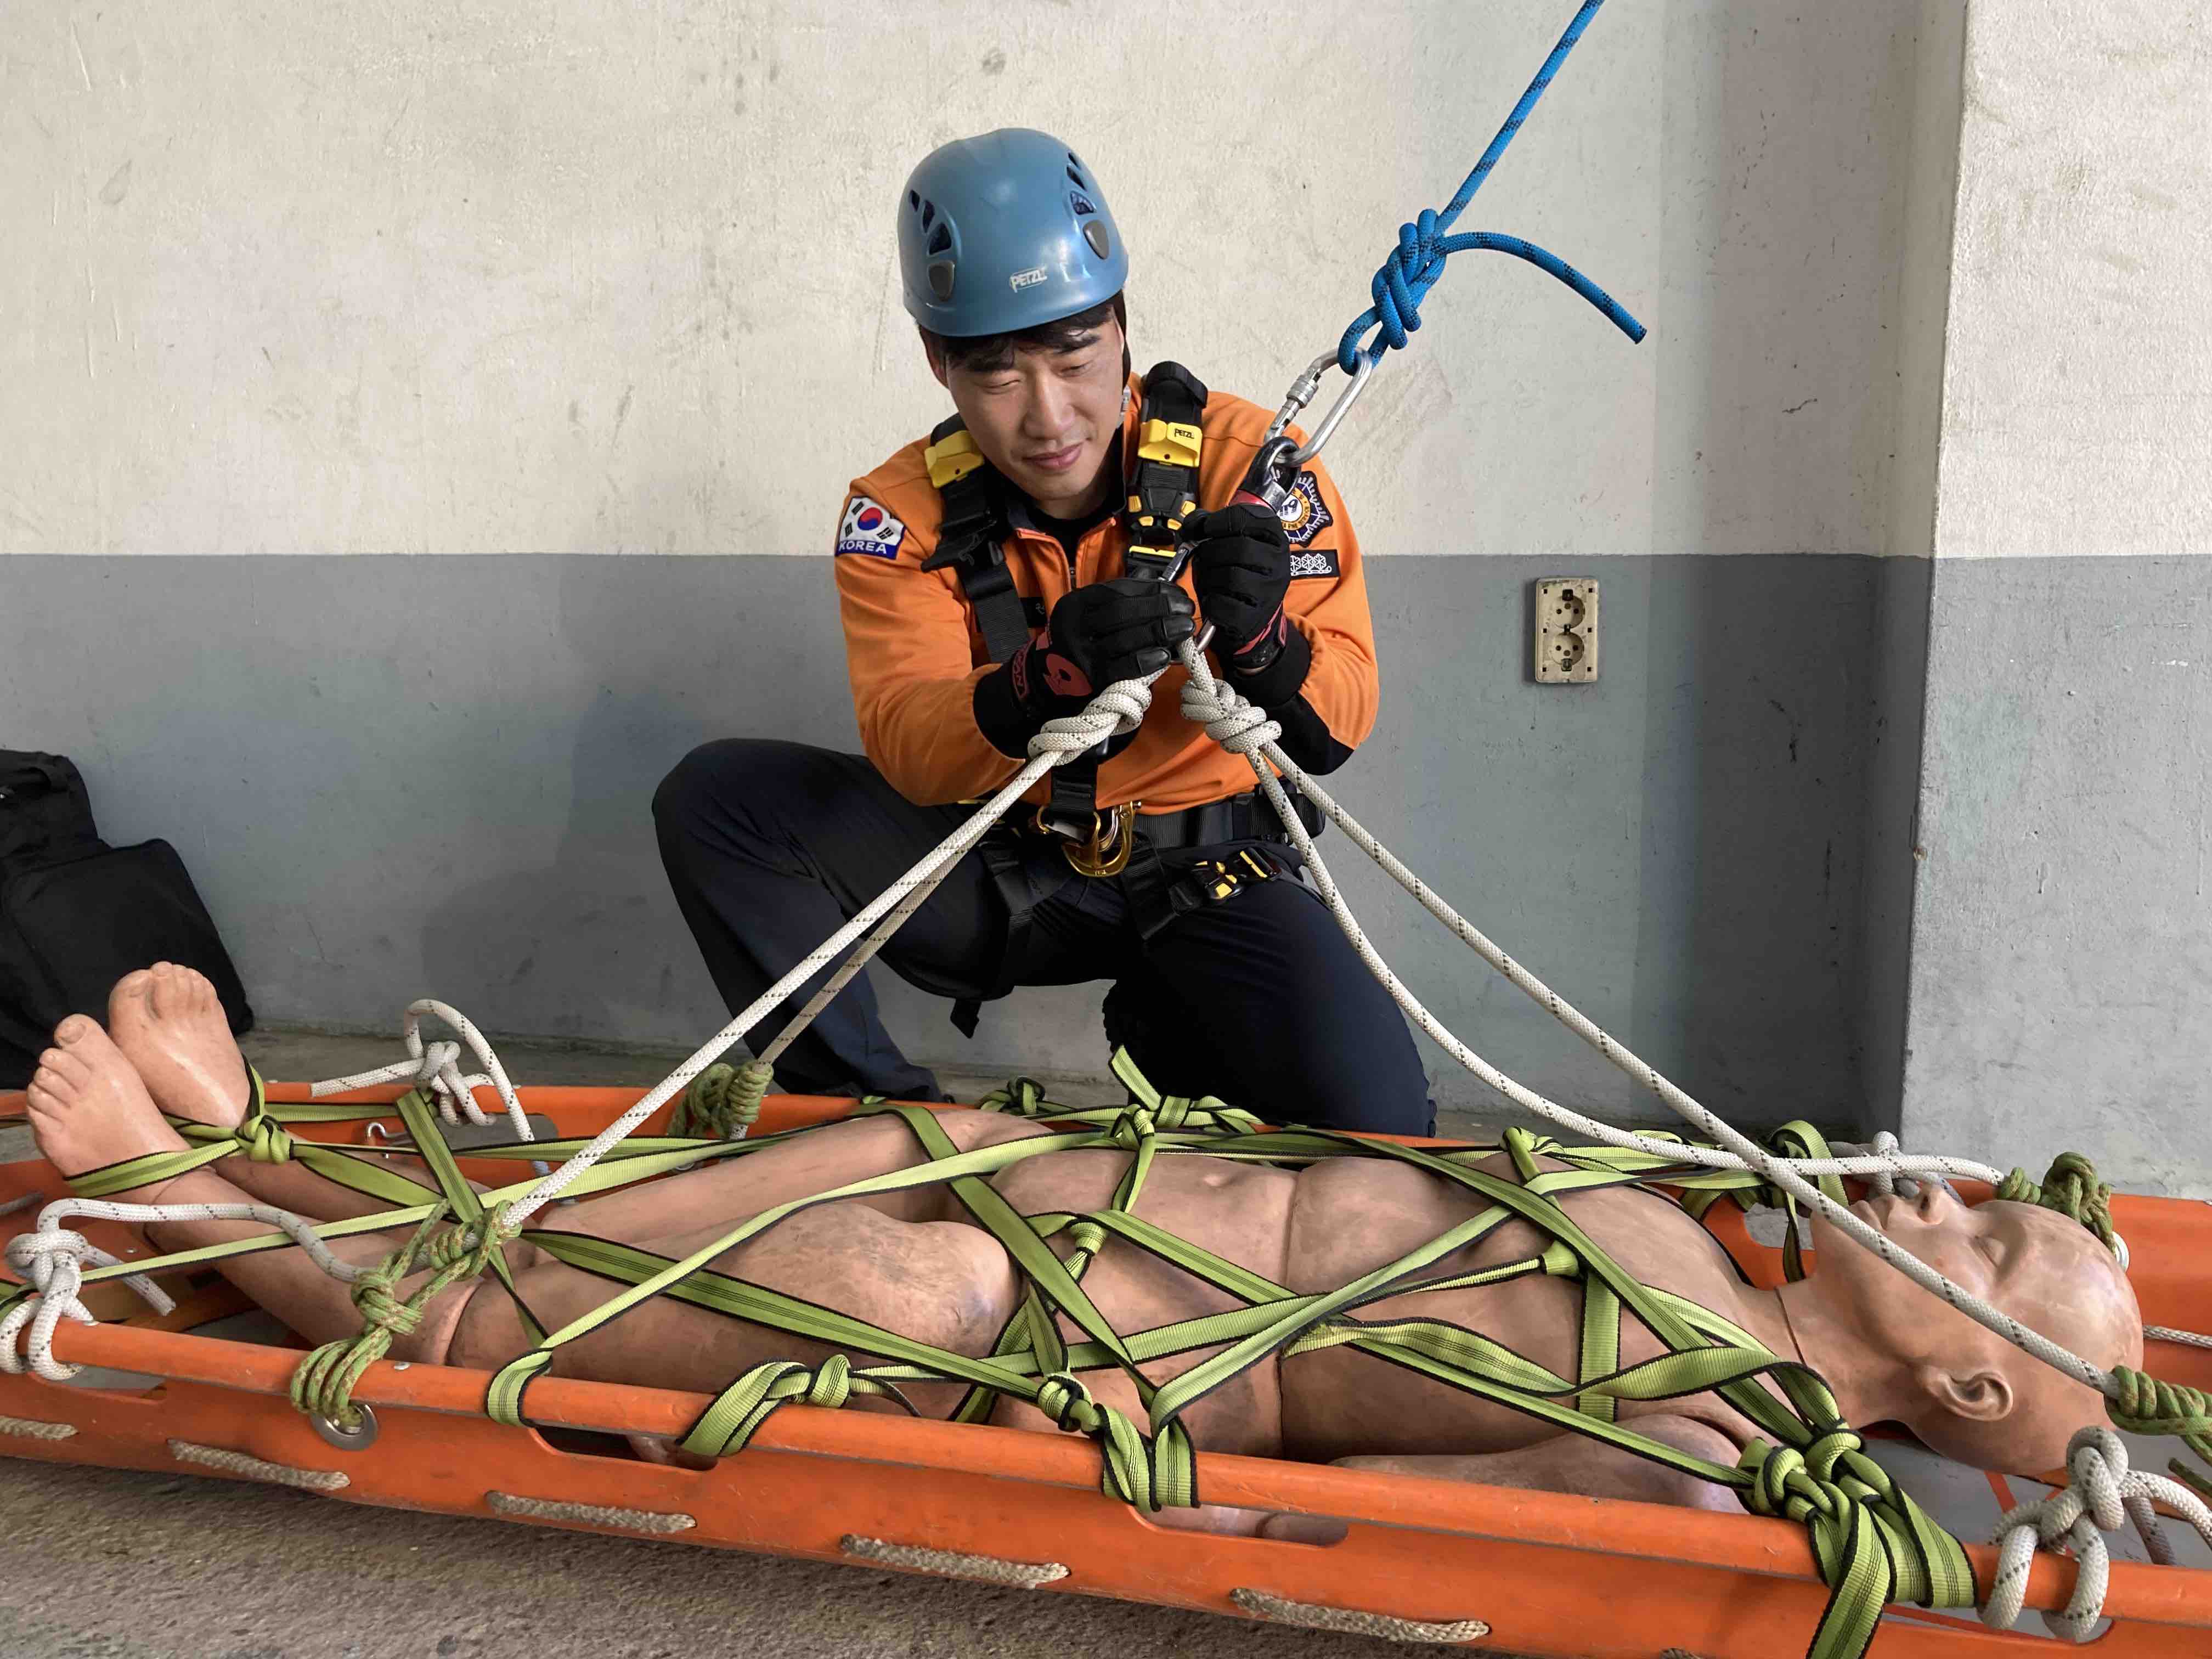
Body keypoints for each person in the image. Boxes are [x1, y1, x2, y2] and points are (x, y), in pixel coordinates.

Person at [22, 967, 2145, 1533]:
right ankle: (265, 1152)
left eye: (1980, 1237)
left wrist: (1128, 1455)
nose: (1938, 1187)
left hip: (1050, 1325)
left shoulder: (1697, 1444)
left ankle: (179, 1196)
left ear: (1964, 1382)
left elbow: (1348, 1509)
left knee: (559, 1324)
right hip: (1070, 1178)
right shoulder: (1695, 1224)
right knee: (588, 1234)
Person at [652, 128, 1432, 1134]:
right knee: (722, 801)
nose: (1050, 416)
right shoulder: (898, 514)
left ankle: (1175, 1023)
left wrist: (1264, 646)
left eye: (1075, 355)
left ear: (1122, 326)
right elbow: (911, 746)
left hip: (1211, 868)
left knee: (1383, 1131)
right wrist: (1044, 679)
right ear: (939, 363)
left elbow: (1338, 727)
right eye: (996, 374)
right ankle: (873, 1123)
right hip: (1006, 869)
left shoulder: (1252, 468)